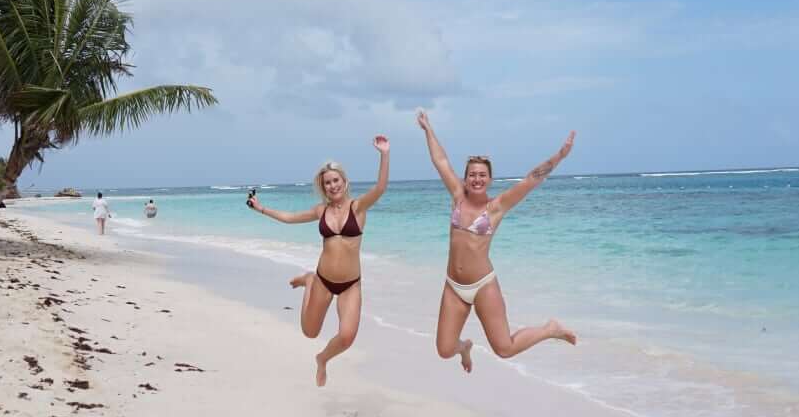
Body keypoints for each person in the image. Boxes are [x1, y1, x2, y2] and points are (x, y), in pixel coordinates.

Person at [416, 110, 576, 373]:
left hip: (482, 285)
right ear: (466, 178)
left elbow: (532, 179)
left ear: (489, 179)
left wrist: (559, 156)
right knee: (444, 350)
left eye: (482, 175)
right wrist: (428, 128)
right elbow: (440, 160)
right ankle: (464, 348)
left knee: (504, 349)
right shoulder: (457, 196)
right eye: (472, 175)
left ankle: (550, 330)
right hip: (453, 286)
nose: (477, 179)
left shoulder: (497, 207)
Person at [247, 136, 390, 386]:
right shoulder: (320, 211)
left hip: (350, 284)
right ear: (323, 188)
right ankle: (309, 281)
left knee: (347, 336)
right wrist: (261, 208)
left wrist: (384, 154)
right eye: (327, 183)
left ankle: (322, 359)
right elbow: (290, 217)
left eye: (336, 180)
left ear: (345, 182)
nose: (332, 185)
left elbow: (380, 188)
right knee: (309, 332)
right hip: (323, 280)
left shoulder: (358, 207)